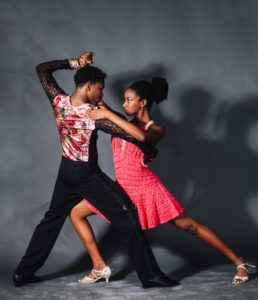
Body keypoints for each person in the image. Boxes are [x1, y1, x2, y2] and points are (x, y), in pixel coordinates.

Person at [12, 52, 179, 289]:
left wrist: (75, 63)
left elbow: (42, 69)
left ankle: (22, 273)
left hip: (66, 172)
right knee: (128, 215)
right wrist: (147, 148)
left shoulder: (58, 100)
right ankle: (150, 276)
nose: (101, 94)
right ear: (89, 86)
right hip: (85, 175)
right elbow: (136, 135)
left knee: (52, 219)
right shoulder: (94, 116)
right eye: (100, 89)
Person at [70, 78, 255, 285]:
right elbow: (104, 105)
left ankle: (240, 262)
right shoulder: (122, 122)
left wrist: (107, 113)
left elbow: (141, 136)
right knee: (77, 213)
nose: (124, 104)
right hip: (121, 187)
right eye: (123, 100)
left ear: (143, 103)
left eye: (129, 100)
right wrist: (86, 79)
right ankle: (99, 266)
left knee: (189, 226)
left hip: (145, 188)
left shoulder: (156, 129)